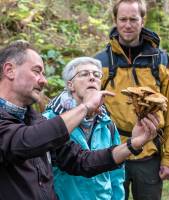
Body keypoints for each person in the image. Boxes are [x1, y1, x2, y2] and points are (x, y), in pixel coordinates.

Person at [0, 40, 159, 200]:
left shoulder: (34, 119)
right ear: (9, 70)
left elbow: (81, 161)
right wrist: (85, 107)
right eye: (36, 71)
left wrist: (133, 144)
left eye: (96, 75)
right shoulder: (45, 123)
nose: (43, 80)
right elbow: (25, 141)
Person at [95, 0, 169, 199]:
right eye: (122, 19)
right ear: (115, 21)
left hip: (149, 153)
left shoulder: (160, 60)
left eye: (133, 19)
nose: (127, 25)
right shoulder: (101, 63)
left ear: (143, 20)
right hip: (113, 153)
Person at [43, 57, 125, 200]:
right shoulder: (51, 121)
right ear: (70, 85)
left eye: (96, 75)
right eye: (84, 74)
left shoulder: (107, 123)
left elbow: (116, 173)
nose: (92, 78)